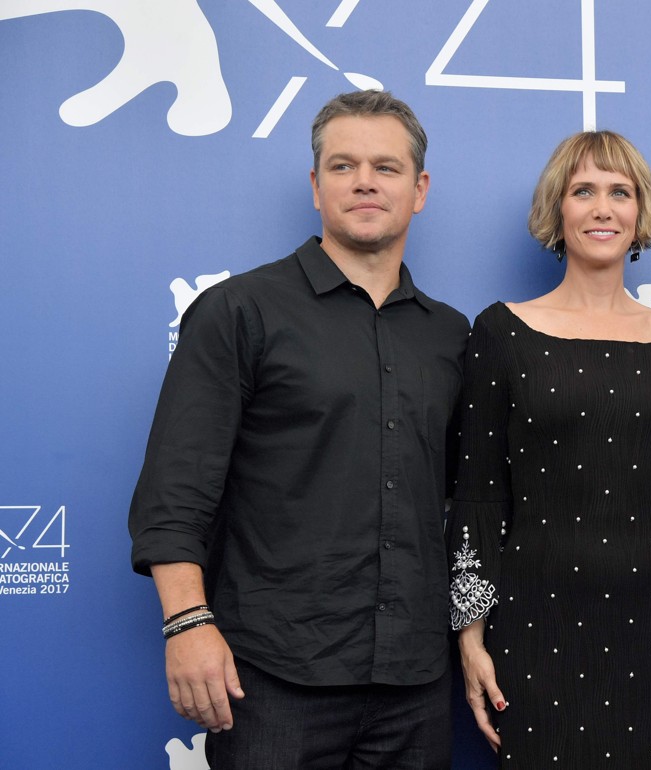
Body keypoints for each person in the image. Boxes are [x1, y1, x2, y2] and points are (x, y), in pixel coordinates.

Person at [128, 90, 468, 769]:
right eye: (343, 166)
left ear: (420, 189)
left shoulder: (451, 335)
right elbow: (176, 491)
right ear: (316, 187)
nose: (365, 181)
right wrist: (187, 623)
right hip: (272, 679)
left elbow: (475, 500)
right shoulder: (239, 312)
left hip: (415, 682)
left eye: (386, 167)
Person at [448, 130, 651, 767]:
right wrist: (469, 633)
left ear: (640, 212)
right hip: (536, 616)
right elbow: (477, 492)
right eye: (582, 190)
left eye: (620, 192)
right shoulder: (501, 331)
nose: (602, 207)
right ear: (556, 210)